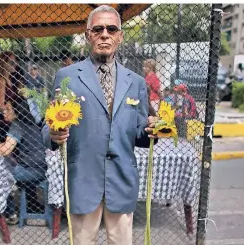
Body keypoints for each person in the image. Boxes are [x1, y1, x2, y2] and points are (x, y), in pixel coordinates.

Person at [42, 5, 157, 244]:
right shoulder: (67, 76)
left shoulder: (135, 82)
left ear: (120, 36)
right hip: (83, 180)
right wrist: (54, 134)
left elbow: (139, 135)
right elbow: (48, 126)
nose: (105, 34)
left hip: (122, 180)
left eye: (111, 29)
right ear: (87, 35)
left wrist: (152, 131)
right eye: (98, 29)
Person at [0, 98, 47, 225]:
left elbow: (6, 150)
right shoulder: (31, 123)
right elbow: (7, 144)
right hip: (42, 168)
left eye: (8, 109)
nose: (4, 111)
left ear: (17, 112)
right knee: (7, 164)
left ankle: (9, 213)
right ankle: (30, 204)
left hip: (31, 170)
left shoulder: (17, 125)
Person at [0, 51, 19, 143]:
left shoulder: (9, 79)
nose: (15, 64)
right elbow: (0, 106)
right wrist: (13, 111)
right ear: (4, 63)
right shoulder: (1, 80)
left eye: (15, 62)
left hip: (9, 121)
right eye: (12, 62)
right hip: (2, 123)